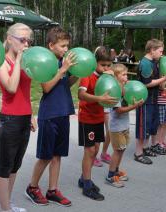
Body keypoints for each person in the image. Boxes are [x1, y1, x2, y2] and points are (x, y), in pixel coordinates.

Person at [25, 27, 77, 207]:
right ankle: (32, 187)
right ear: (51, 45)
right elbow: (46, 87)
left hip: (63, 112)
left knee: (57, 155)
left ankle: (53, 190)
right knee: (46, 155)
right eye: (62, 46)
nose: (65, 49)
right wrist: (62, 70)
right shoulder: (44, 62)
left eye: (67, 46)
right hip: (49, 115)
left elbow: (65, 84)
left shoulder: (64, 62)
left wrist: (75, 74)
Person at [0, 23, 37, 212]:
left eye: (28, 40)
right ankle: (4, 209)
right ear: (10, 38)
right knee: (5, 167)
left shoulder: (25, 61)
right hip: (9, 120)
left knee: (15, 166)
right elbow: (11, 88)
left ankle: (7, 204)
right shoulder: (1, 62)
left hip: (23, 118)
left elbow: (25, 92)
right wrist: (19, 57)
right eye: (22, 39)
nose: (26, 43)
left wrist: (31, 114)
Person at [77, 46, 117, 201]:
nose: (106, 68)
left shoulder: (107, 77)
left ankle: (83, 178)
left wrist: (114, 78)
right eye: (103, 65)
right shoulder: (88, 74)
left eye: (109, 65)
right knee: (89, 151)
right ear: (95, 63)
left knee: (96, 150)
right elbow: (81, 94)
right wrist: (99, 99)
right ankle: (87, 184)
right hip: (87, 117)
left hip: (99, 117)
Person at [134, 39, 166, 165]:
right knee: (143, 127)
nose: (162, 54)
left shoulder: (154, 62)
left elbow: (156, 81)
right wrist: (164, 78)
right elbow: (147, 83)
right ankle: (138, 153)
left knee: (151, 126)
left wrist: (164, 79)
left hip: (153, 99)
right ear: (152, 50)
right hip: (144, 101)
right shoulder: (146, 63)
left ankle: (145, 148)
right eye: (160, 51)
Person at [105, 64, 144, 188]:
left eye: (126, 74)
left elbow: (126, 99)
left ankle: (116, 170)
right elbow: (119, 110)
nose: (126, 77)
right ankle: (110, 176)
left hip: (124, 126)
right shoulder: (114, 91)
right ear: (116, 77)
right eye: (124, 75)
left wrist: (133, 101)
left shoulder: (123, 88)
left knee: (122, 149)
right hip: (116, 128)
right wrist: (134, 106)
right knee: (117, 151)